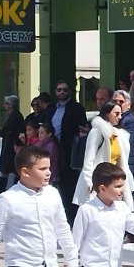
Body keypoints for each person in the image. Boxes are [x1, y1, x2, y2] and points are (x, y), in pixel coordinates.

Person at [74, 100, 134, 211]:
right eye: (116, 113)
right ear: (107, 113)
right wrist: (90, 182)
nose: (120, 117)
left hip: (114, 180)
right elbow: (88, 160)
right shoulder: (97, 132)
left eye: (121, 113)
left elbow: (123, 162)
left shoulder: (118, 134)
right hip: (99, 180)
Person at [42, 80, 87, 224]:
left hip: (68, 154)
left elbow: (82, 129)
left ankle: (71, 218)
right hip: (51, 151)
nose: (62, 92)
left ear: (70, 92)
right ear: (55, 92)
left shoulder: (76, 108)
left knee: (69, 187)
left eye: (65, 90)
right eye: (59, 90)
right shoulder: (50, 109)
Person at [112, 91, 134, 191]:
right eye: (114, 101)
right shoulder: (114, 118)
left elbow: (124, 142)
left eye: (121, 101)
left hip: (127, 163)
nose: (117, 104)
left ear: (128, 105)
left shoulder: (129, 120)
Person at [0, 94, 25, 192]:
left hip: (11, 146)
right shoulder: (12, 115)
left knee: (13, 168)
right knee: (7, 168)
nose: (5, 106)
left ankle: (11, 188)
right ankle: (3, 188)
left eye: (6, 103)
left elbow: (14, 131)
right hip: (8, 145)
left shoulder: (16, 116)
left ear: (10, 105)